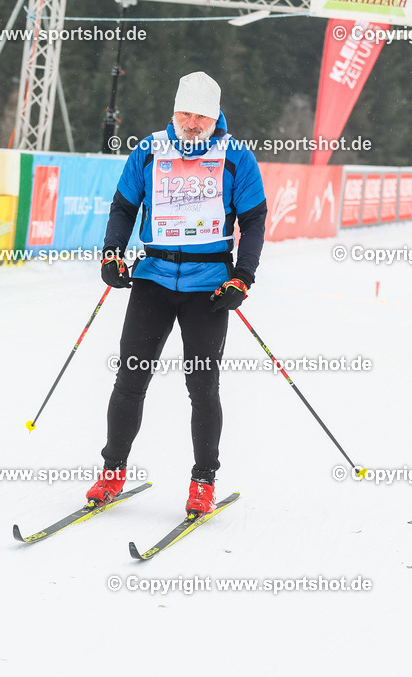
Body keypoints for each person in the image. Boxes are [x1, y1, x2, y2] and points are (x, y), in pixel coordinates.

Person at [85, 71, 266, 517]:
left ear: (215, 116)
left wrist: (243, 278)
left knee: (202, 387)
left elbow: (254, 220)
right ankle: (112, 472)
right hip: (154, 279)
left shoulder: (237, 157)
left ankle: (203, 481)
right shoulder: (148, 150)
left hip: (209, 286)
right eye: (185, 113)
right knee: (130, 379)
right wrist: (112, 254)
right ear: (174, 111)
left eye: (201, 116)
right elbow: (124, 207)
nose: (192, 123)